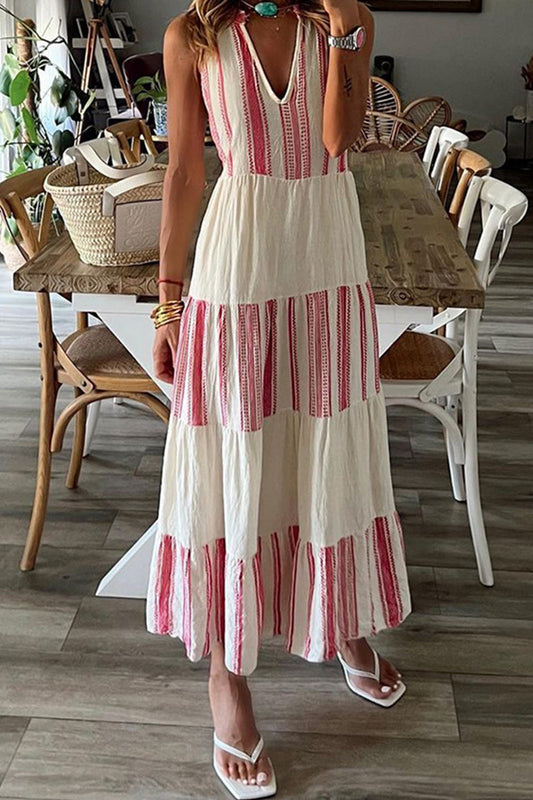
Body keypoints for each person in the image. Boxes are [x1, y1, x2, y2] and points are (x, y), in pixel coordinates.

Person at [147, 0, 411, 796]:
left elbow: (335, 141)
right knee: (238, 449)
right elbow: (185, 171)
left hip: (326, 258)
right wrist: (168, 302)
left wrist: (346, 31)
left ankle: (340, 622)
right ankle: (225, 674)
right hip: (239, 262)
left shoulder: (339, 21)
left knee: (328, 444)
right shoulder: (193, 35)